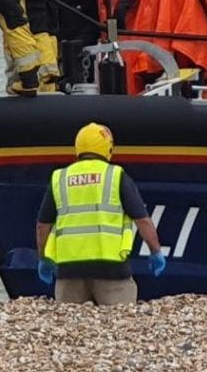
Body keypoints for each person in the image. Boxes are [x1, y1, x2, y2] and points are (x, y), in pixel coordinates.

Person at [35, 123, 166, 304]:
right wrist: (155, 251)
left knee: (70, 329)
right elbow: (142, 220)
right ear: (108, 148)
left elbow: (43, 225)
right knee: (121, 325)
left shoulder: (60, 178)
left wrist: (43, 258)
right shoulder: (116, 176)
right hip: (112, 271)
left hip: (69, 272)